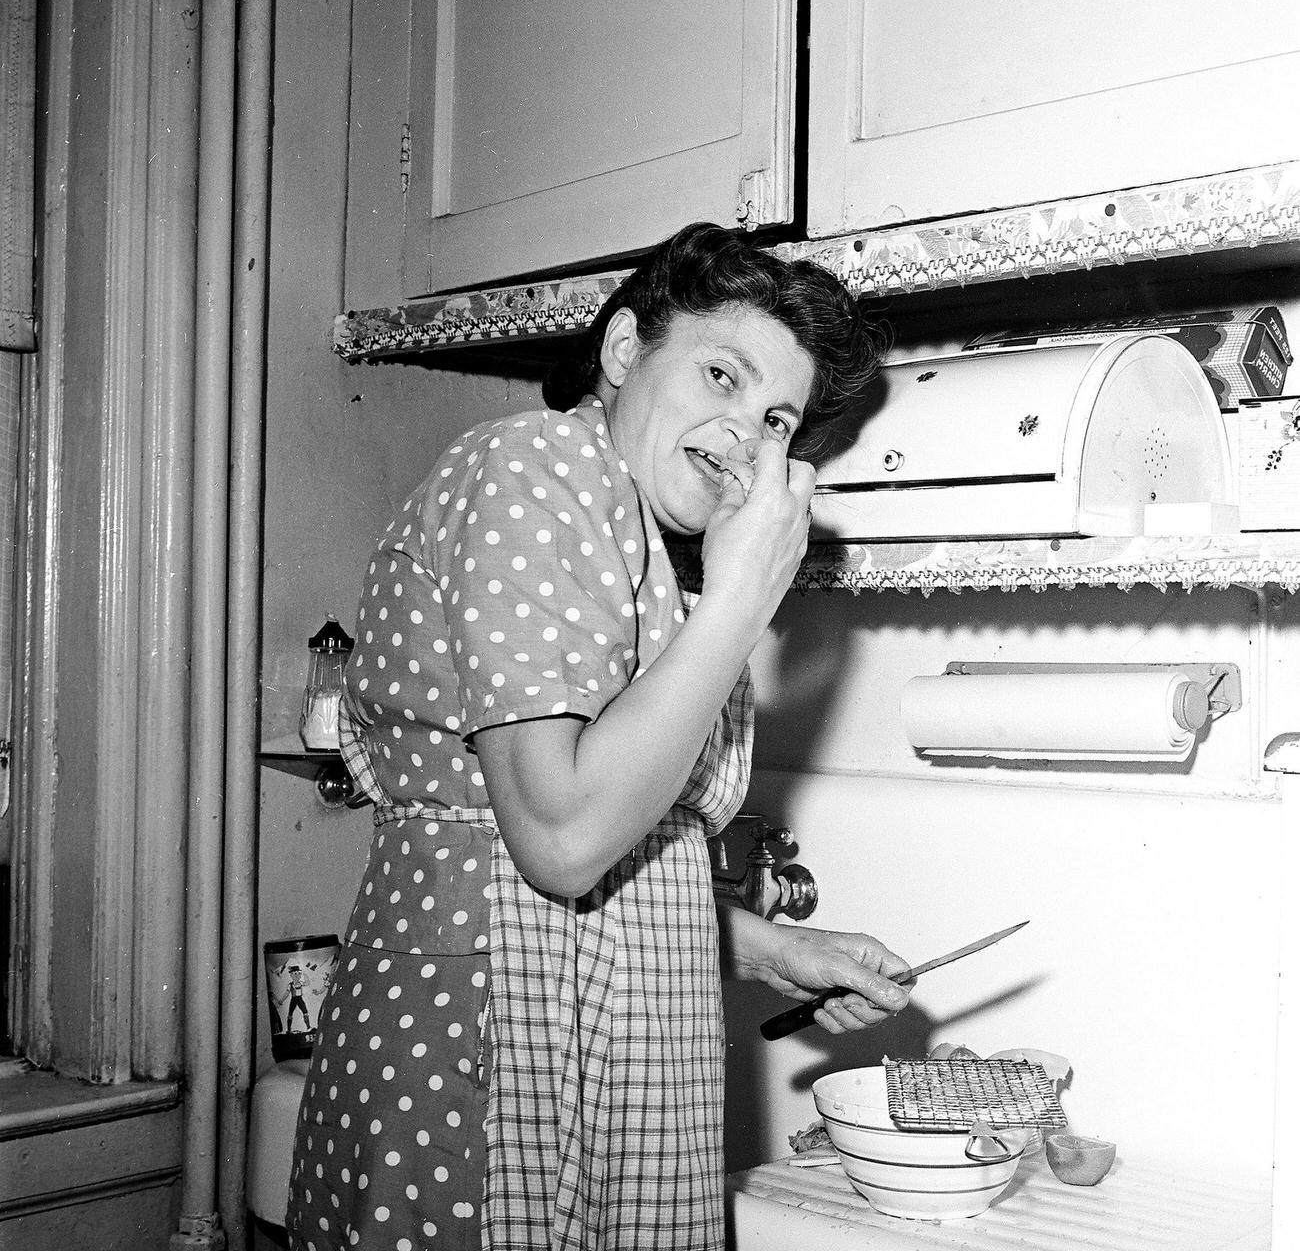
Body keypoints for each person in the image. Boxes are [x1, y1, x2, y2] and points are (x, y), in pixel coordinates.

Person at [286, 221, 912, 1251]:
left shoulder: (627, 537)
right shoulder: (536, 466)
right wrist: (741, 599)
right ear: (623, 352)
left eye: (775, 420)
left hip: (568, 1038)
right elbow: (561, 837)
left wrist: (772, 948)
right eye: (719, 373)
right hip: (482, 1063)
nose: (745, 436)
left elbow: (606, 864)